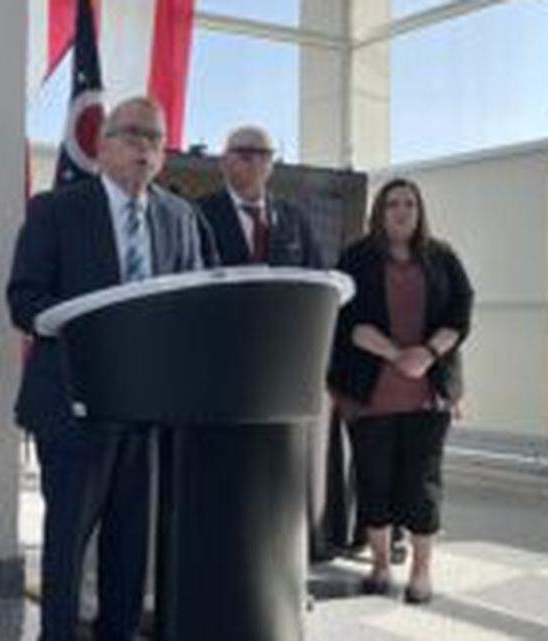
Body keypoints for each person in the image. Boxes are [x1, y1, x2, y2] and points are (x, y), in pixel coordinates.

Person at [7, 96, 203, 641]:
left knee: (128, 547)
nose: (146, 147)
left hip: (145, 412)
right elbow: (23, 299)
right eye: (134, 134)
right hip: (71, 406)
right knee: (67, 544)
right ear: (102, 144)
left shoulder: (179, 216)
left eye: (156, 139)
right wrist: (90, 330)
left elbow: (193, 305)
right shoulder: (56, 210)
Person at [327, 177, 473, 604]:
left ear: (420, 210)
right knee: (374, 481)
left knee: (422, 483)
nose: (402, 210)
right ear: (379, 211)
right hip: (369, 393)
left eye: (410, 203)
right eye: (393, 203)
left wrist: (426, 354)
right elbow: (347, 322)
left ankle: (421, 573)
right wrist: (397, 355)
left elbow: (461, 314)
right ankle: (378, 565)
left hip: (427, 391)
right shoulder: (357, 257)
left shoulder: (442, 257)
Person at [195, 125, 324, 268]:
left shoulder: (294, 219)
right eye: (246, 155)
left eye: (264, 154)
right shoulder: (199, 215)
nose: (256, 162)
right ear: (224, 162)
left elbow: (315, 273)